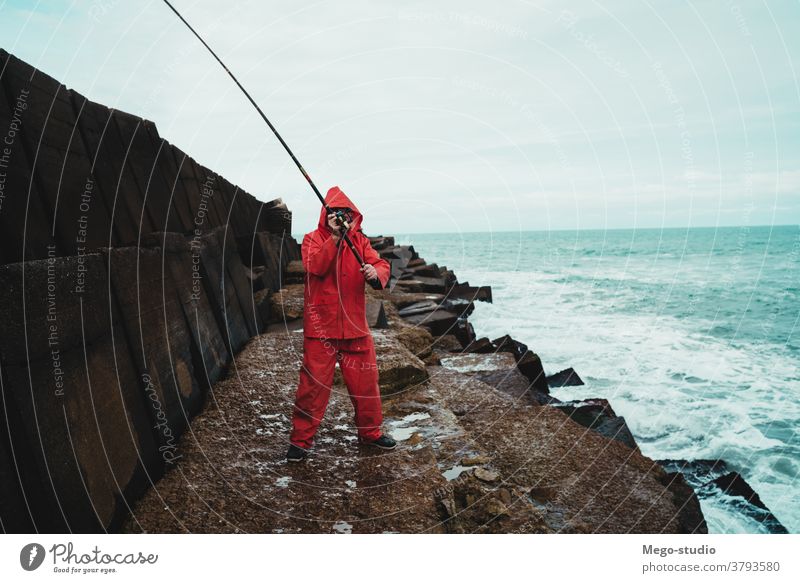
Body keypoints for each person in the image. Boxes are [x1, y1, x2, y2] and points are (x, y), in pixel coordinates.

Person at [286, 186, 397, 462]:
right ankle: (300, 442)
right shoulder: (312, 240)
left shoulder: (360, 242)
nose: (342, 218)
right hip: (320, 330)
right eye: (336, 214)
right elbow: (315, 267)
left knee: (367, 384)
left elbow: (381, 265)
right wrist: (335, 238)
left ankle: (370, 432)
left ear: (352, 215)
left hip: (355, 328)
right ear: (326, 216)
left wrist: (375, 272)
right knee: (312, 388)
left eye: (346, 214)